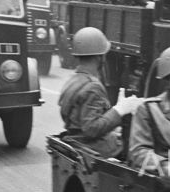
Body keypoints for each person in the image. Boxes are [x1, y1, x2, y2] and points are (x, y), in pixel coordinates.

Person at [58, 27, 141, 157]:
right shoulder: (93, 86)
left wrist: (115, 110)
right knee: (136, 150)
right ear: (99, 57)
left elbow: (81, 118)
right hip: (89, 145)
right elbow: (91, 129)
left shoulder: (73, 80)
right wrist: (119, 110)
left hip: (75, 140)